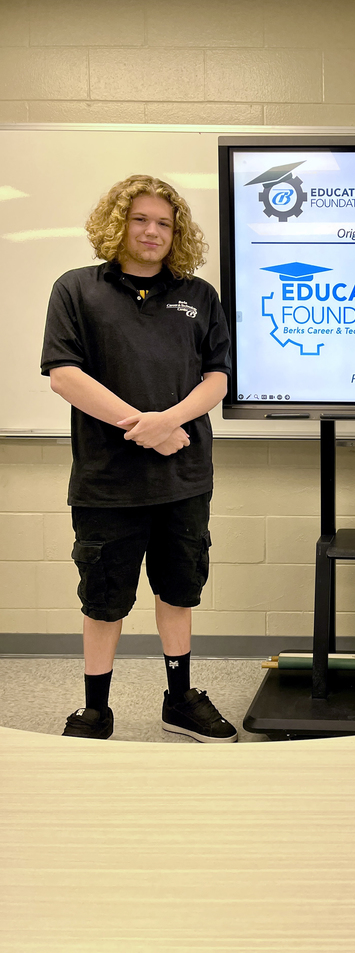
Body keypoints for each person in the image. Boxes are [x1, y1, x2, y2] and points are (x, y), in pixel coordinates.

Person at [41, 174, 237, 743]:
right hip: (107, 483)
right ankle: (95, 710)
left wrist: (170, 422)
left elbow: (218, 377)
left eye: (165, 223)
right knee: (104, 600)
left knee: (178, 592)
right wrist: (144, 427)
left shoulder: (199, 296)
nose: (152, 232)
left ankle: (180, 701)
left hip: (184, 478)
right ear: (118, 223)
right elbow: (64, 375)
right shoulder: (76, 290)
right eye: (140, 219)